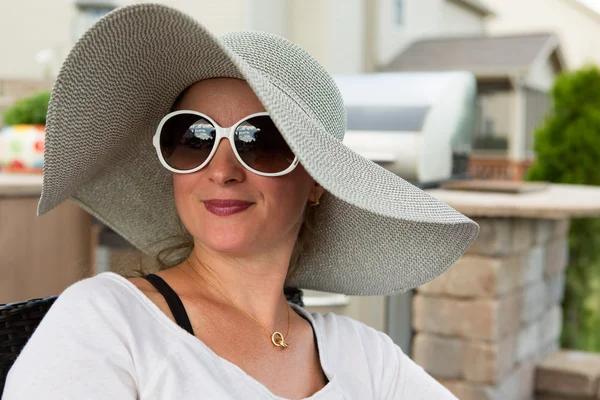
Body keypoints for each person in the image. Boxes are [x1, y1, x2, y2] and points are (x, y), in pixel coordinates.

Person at [2, 3, 479, 399]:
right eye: (195, 137)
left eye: (260, 141)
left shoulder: (367, 359)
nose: (222, 170)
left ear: (316, 181)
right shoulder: (107, 322)